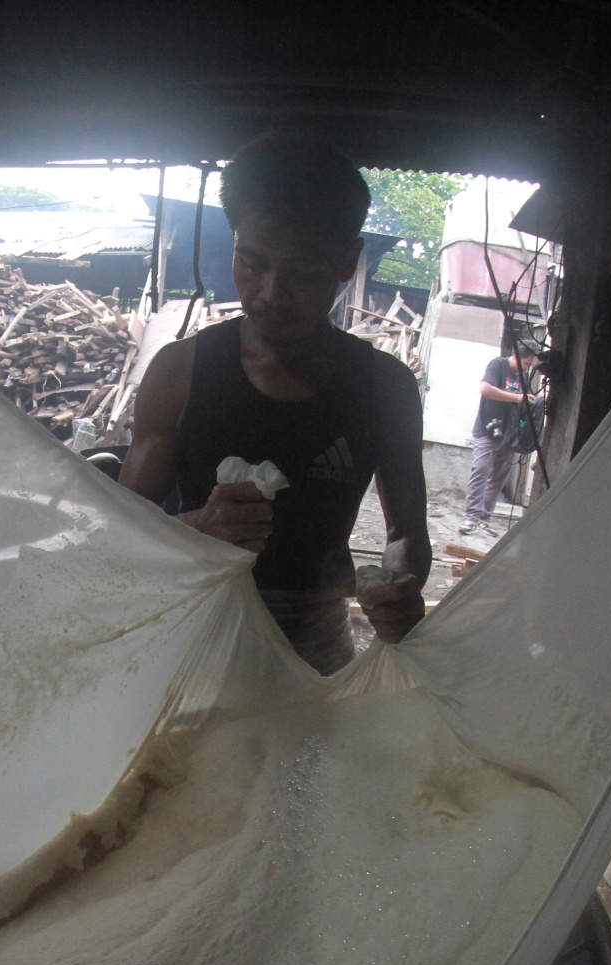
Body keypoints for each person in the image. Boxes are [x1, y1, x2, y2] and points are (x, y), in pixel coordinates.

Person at [121, 132, 430, 674]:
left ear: (347, 261)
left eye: (303, 273)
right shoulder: (180, 372)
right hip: (188, 642)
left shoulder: (385, 388)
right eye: (251, 262)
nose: (269, 291)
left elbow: (405, 534)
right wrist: (198, 528)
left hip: (316, 647)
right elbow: (121, 536)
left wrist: (400, 585)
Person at [460, 338, 544, 536]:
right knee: (480, 470)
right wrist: (516, 397)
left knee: (498, 477)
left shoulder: (524, 376)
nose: (527, 368)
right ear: (516, 355)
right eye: (525, 363)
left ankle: (484, 518)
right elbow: (485, 389)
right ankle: (470, 517)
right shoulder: (497, 365)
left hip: (509, 434)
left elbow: (525, 399)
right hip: (487, 429)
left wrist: (537, 400)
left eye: (530, 365)